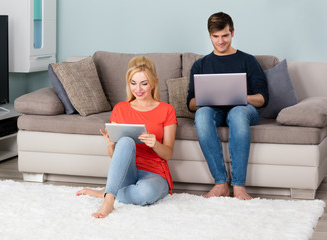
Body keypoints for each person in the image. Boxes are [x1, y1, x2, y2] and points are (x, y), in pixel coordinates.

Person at [76, 56, 178, 218]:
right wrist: (111, 145)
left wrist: (155, 144)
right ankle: (109, 200)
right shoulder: (120, 109)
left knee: (145, 193)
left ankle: (107, 190)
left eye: (144, 83)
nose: (138, 89)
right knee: (124, 141)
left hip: (155, 173)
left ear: (152, 83)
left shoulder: (167, 110)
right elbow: (115, 155)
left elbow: (168, 154)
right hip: (127, 172)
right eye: (133, 83)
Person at [187, 12, 269, 200]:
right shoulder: (200, 65)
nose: (221, 41)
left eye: (225, 35)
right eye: (216, 37)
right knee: (201, 115)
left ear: (232, 32)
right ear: (209, 36)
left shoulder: (248, 61)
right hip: (214, 111)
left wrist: (240, 96)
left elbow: (262, 99)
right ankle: (221, 183)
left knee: (238, 113)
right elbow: (191, 104)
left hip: (244, 110)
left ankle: (239, 186)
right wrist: (207, 98)